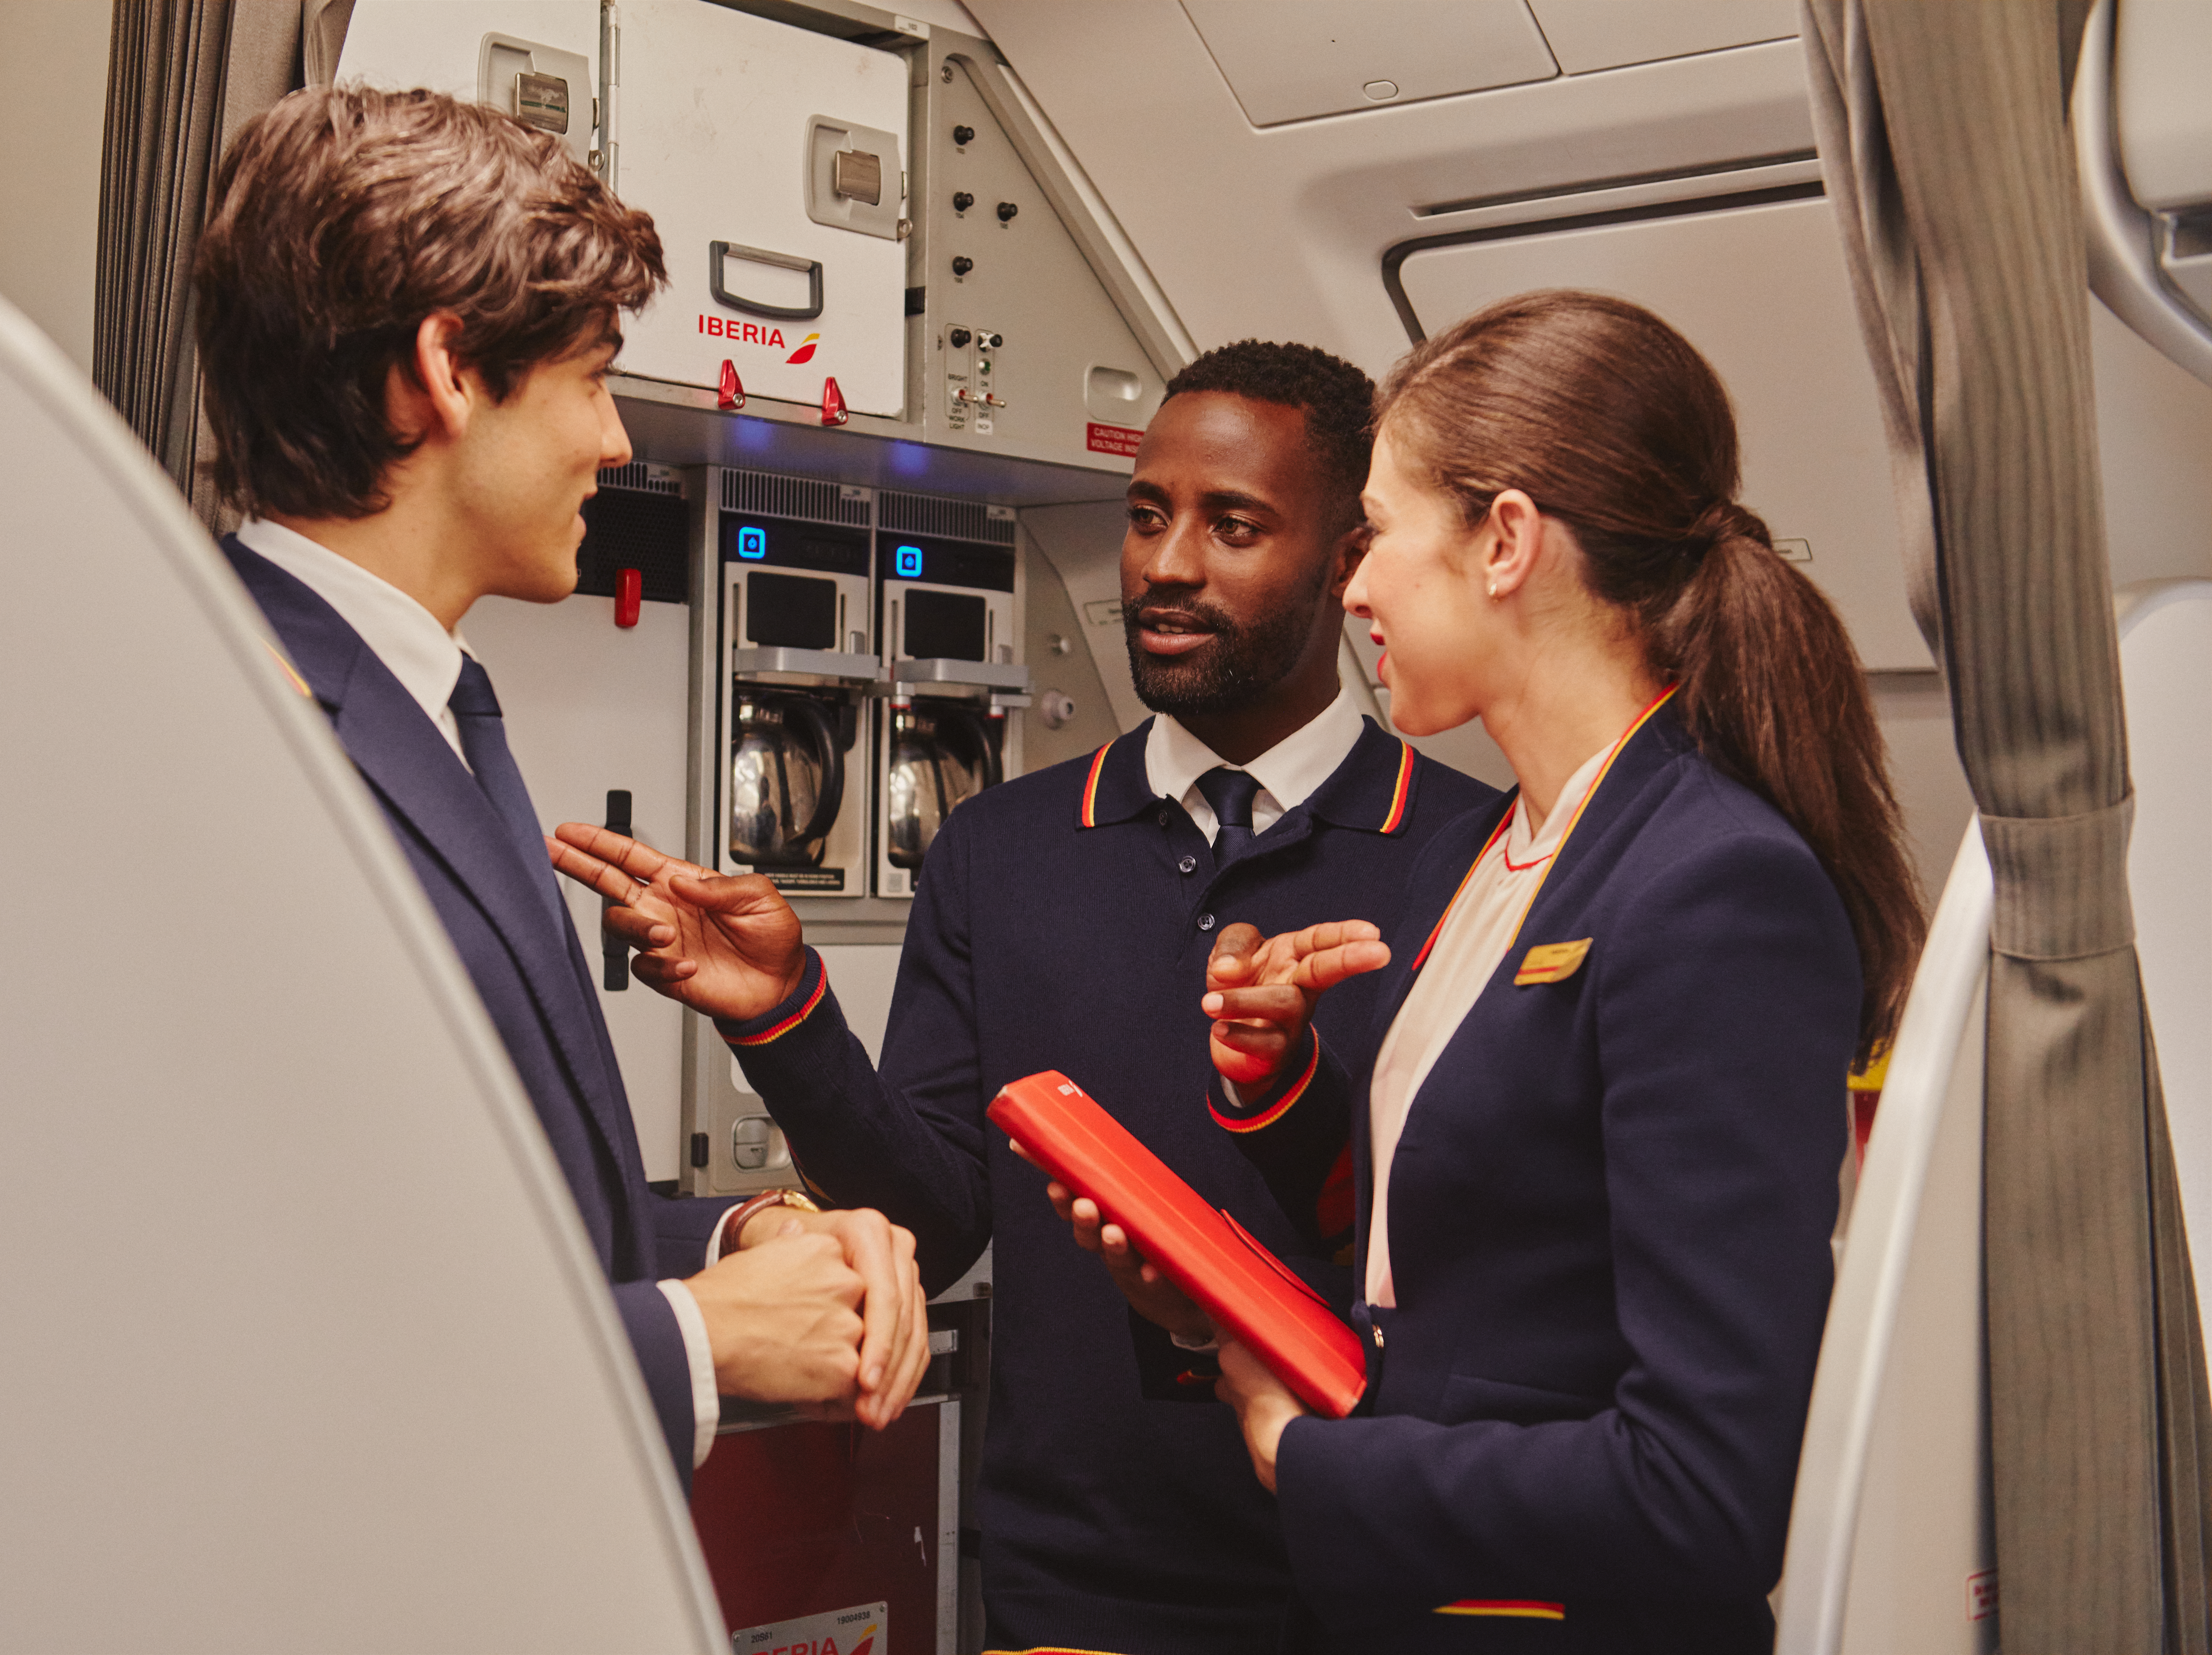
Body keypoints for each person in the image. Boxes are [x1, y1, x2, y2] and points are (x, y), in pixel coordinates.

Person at [553, 341, 1500, 1652]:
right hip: (1079, 1599)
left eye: (1234, 526)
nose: (1167, 566)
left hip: (1376, 1583)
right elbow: (934, 1225)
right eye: (1149, 514)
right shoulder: (1003, 849)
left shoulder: (1474, 856)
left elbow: (1491, 1261)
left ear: (1348, 562)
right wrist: (783, 1016)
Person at [1057, 290, 1928, 1652]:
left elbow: (1701, 1488)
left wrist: (1316, 1459)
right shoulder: (1522, 851)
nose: (1351, 588)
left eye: (1383, 534)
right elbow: (1483, 1270)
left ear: (1504, 541)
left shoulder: (1710, 885)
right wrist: (1231, 1298)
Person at [189, 85, 929, 1492]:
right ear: (447, 369)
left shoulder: (431, 713)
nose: (616, 443)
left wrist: (744, 1239)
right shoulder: (228, 730)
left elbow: (497, 1234)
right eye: (591, 378)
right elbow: (240, 1328)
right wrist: (693, 1342)